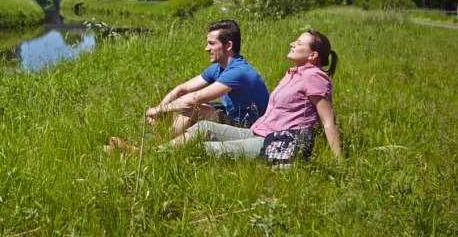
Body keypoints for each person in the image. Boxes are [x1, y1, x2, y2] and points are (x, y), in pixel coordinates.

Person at [108, 30, 342, 160]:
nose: (292, 42)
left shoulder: (314, 78)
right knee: (202, 130)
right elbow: (184, 90)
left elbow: (328, 122)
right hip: (259, 132)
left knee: (202, 149)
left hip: (282, 143)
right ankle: (147, 152)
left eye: (299, 42)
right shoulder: (294, 74)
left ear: (312, 56)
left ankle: (140, 156)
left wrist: (338, 162)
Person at [145, 19, 269, 136]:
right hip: (231, 117)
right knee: (185, 103)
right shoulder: (219, 68)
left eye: (212, 44)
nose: (206, 48)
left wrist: (158, 110)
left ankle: (163, 145)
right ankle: (165, 139)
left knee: (192, 108)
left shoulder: (238, 71)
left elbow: (193, 99)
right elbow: (182, 89)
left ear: (228, 46)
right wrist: (159, 111)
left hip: (248, 128)